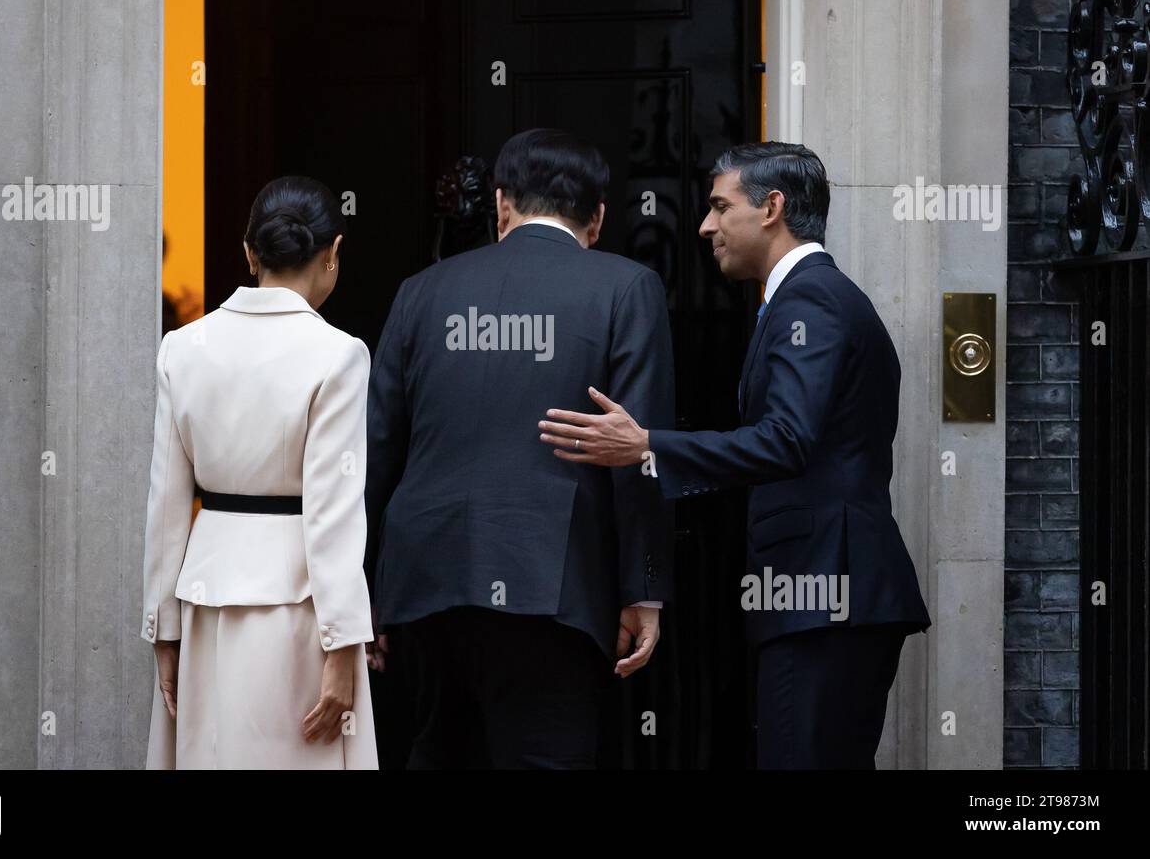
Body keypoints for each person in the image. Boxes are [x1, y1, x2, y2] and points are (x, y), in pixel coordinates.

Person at [540, 141, 931, 769]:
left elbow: (786, 439)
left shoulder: (812, 300)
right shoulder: (806, 298)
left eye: (721, 207)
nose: (705, 225)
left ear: (771, 207)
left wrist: (646, 446)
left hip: (826, 593)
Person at [365, 128, 675, 769]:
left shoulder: (420, 291)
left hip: (426, 582)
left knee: (437, 755)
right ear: (598, 217)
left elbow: (376, 450)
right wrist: (642, 590)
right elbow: (636, 453)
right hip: (552, 587)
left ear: (502, 204)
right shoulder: (627, 287)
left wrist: (361, 591)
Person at [141, 175, 378, 769]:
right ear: (334, 253)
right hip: (299, 609)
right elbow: (333, 512)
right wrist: (345, 643)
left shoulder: (181, 348)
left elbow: (166, 502)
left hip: (204, 602)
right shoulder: (339, 354)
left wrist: (163, 629)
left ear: (250, 254)